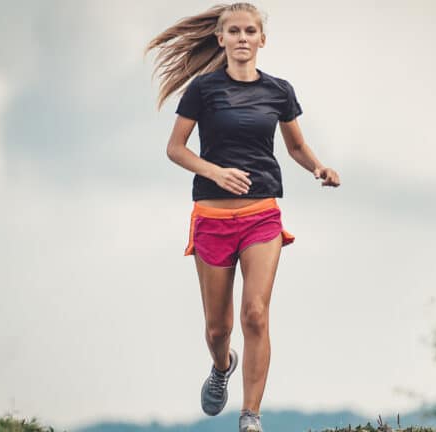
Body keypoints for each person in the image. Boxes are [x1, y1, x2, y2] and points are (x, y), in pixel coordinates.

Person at [146, 3, 340, 431]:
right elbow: (175, 148)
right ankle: (222, 366)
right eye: (233, 31)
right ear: (221, 39)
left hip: (261, 215)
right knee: (219, 329)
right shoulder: (203, 89)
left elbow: (295, 146)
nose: (242, 37)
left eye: (250, 31)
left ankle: (250, 416)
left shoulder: (279, 91)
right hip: (212, 218)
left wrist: (319, 168)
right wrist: (215, 172)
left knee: (256, 312)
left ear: (261, 39)